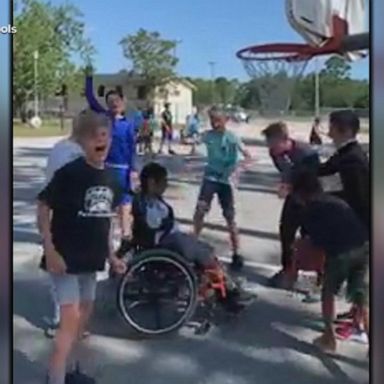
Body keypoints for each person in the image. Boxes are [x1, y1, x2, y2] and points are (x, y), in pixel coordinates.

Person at [37, 110, 127, 384]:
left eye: (105, 135)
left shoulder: (111, 177)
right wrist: (50, 249)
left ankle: (71, 371)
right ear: (81, 141)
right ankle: (55, 378)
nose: (101, 140)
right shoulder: (70, 173)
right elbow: (43, 207)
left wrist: (112, 254)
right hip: (64, 258)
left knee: (83, 317)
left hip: (92, 259)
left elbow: (106, 219)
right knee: (69, 320)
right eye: (94, 136)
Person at [130, 162, 254, 312]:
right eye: (163, 181)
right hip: (168, 244)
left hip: (170, 240)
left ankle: (227, 288)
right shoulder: (148, 204)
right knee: (205, 255)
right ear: (151, 183)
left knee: (207, 252)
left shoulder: (147, 200)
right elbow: (154, 225)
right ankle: (228, 291)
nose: (166, 185)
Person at [291, 169, 369, 353]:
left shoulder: (310, 211)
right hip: (363, 245)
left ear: (302, 193)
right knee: (360, 292)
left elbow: (315, 246)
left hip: (341, 252)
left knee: (328, 292)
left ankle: (329, 337)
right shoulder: (334, 200)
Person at [318, 110, 370, 336]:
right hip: (359, 232)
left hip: (354, 233)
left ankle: (335, 333)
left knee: (338, 286)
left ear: (345, 130)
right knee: (358, 285)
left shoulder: (352, 159)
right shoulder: (347, 153)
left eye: (332, 127)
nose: (328, 132)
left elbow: (357, 198)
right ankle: (358, 320)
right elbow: (326, 173)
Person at [37, 117, 84, 339]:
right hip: (63, 217)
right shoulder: (63, 150)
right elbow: (50, 188)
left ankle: (74, 319)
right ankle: (60, 319)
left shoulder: (86, 149)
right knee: (60, 270)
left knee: (77, 271)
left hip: (81, 218)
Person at [261, 122, 320, 288]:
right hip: (293, 197)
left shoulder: (306, 153)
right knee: (286, 232)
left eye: (272, 142)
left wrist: (291, 186)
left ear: (283, 140)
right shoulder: (275, 153)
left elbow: (314, 179)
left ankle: (320, 275)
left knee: (312, 237)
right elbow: (285, 173)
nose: (270, 147)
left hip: (311, 198)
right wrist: (285, 185)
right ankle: (287, 271)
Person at [193, 106, 252, 270]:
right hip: (210, 178)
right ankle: (193, 245)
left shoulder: (232, 138)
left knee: (229, 217)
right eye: (212, 120)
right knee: (200, 211)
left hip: (225, 182)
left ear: (226, 121)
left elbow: (248, 157)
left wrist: (237, 170)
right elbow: (193, 140)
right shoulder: (208, 135)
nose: (215, 124)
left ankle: (237, 252)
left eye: (218, 120)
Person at [85, 67, 137, 250]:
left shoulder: (129, 124)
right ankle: (103, 242)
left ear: (123, 103)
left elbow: (132, 149)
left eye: (116, 100)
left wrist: (134, 170)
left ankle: (125, 240)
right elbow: (91, 99)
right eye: (110, 101)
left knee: (124, 207)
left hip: (123, 170)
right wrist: (89, 78)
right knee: (105, 206)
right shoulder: (105, 118)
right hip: (106, 168)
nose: (113, 103)